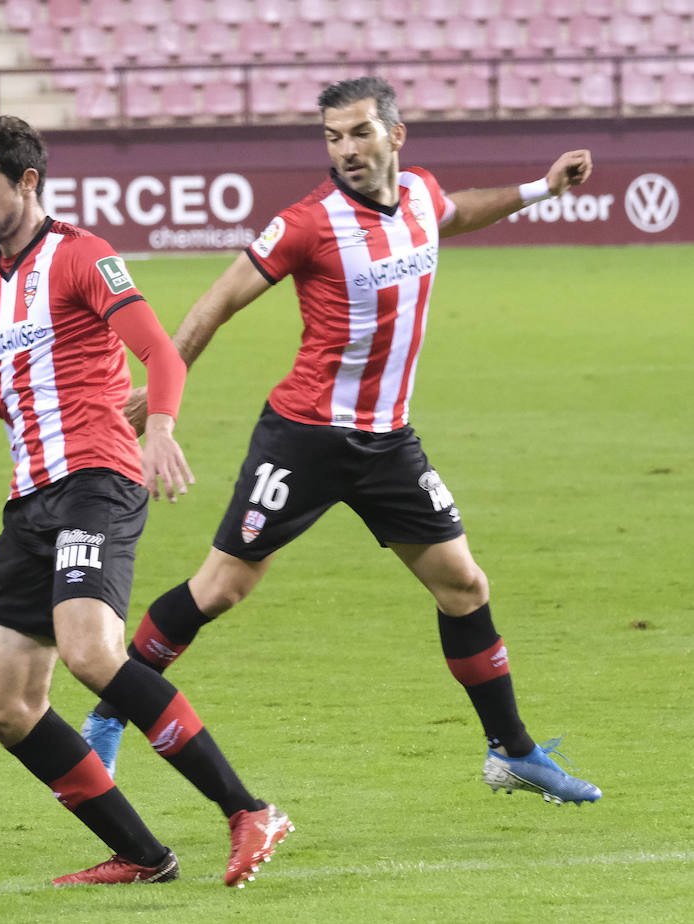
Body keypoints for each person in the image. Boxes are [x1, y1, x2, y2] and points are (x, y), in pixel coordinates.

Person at [79, 76, 602, 807]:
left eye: (359, 132)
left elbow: (451, 215)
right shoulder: (308, 224)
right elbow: (217, 301)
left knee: (465, 585)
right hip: (305, 438)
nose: (346, 149)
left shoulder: (418, 193)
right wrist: (161, 399)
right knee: (222, 588)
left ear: (396, 135)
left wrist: (539, 188)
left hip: (389, 444)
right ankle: (108, 714)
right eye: (333, 137)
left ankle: (512, 752)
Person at [0, 116, 291, 888]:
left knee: (92, 652)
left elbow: (159, 350)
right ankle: (142, 855)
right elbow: (37, 397)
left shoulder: (83, 257)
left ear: (27, 182)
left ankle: (247, 809)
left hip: (98, 480)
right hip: (30, 498)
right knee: (5, 704)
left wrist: (159, 427)